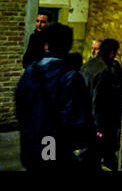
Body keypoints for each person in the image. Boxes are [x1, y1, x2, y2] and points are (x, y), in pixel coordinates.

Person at [15, 23, 96, 171]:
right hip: (51, 147)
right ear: (68, 45)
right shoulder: (70, 77)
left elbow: (20, 110)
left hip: (29, 143)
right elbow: (77, 123)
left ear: (46, 45)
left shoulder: (29, 72)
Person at [80, 38, 122, 171]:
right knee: (92, 155)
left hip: (84, 117)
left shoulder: (88, 65)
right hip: (96, 121)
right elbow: (97, 100)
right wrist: (99, 127)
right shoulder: (103, 70)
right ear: (111, 52)